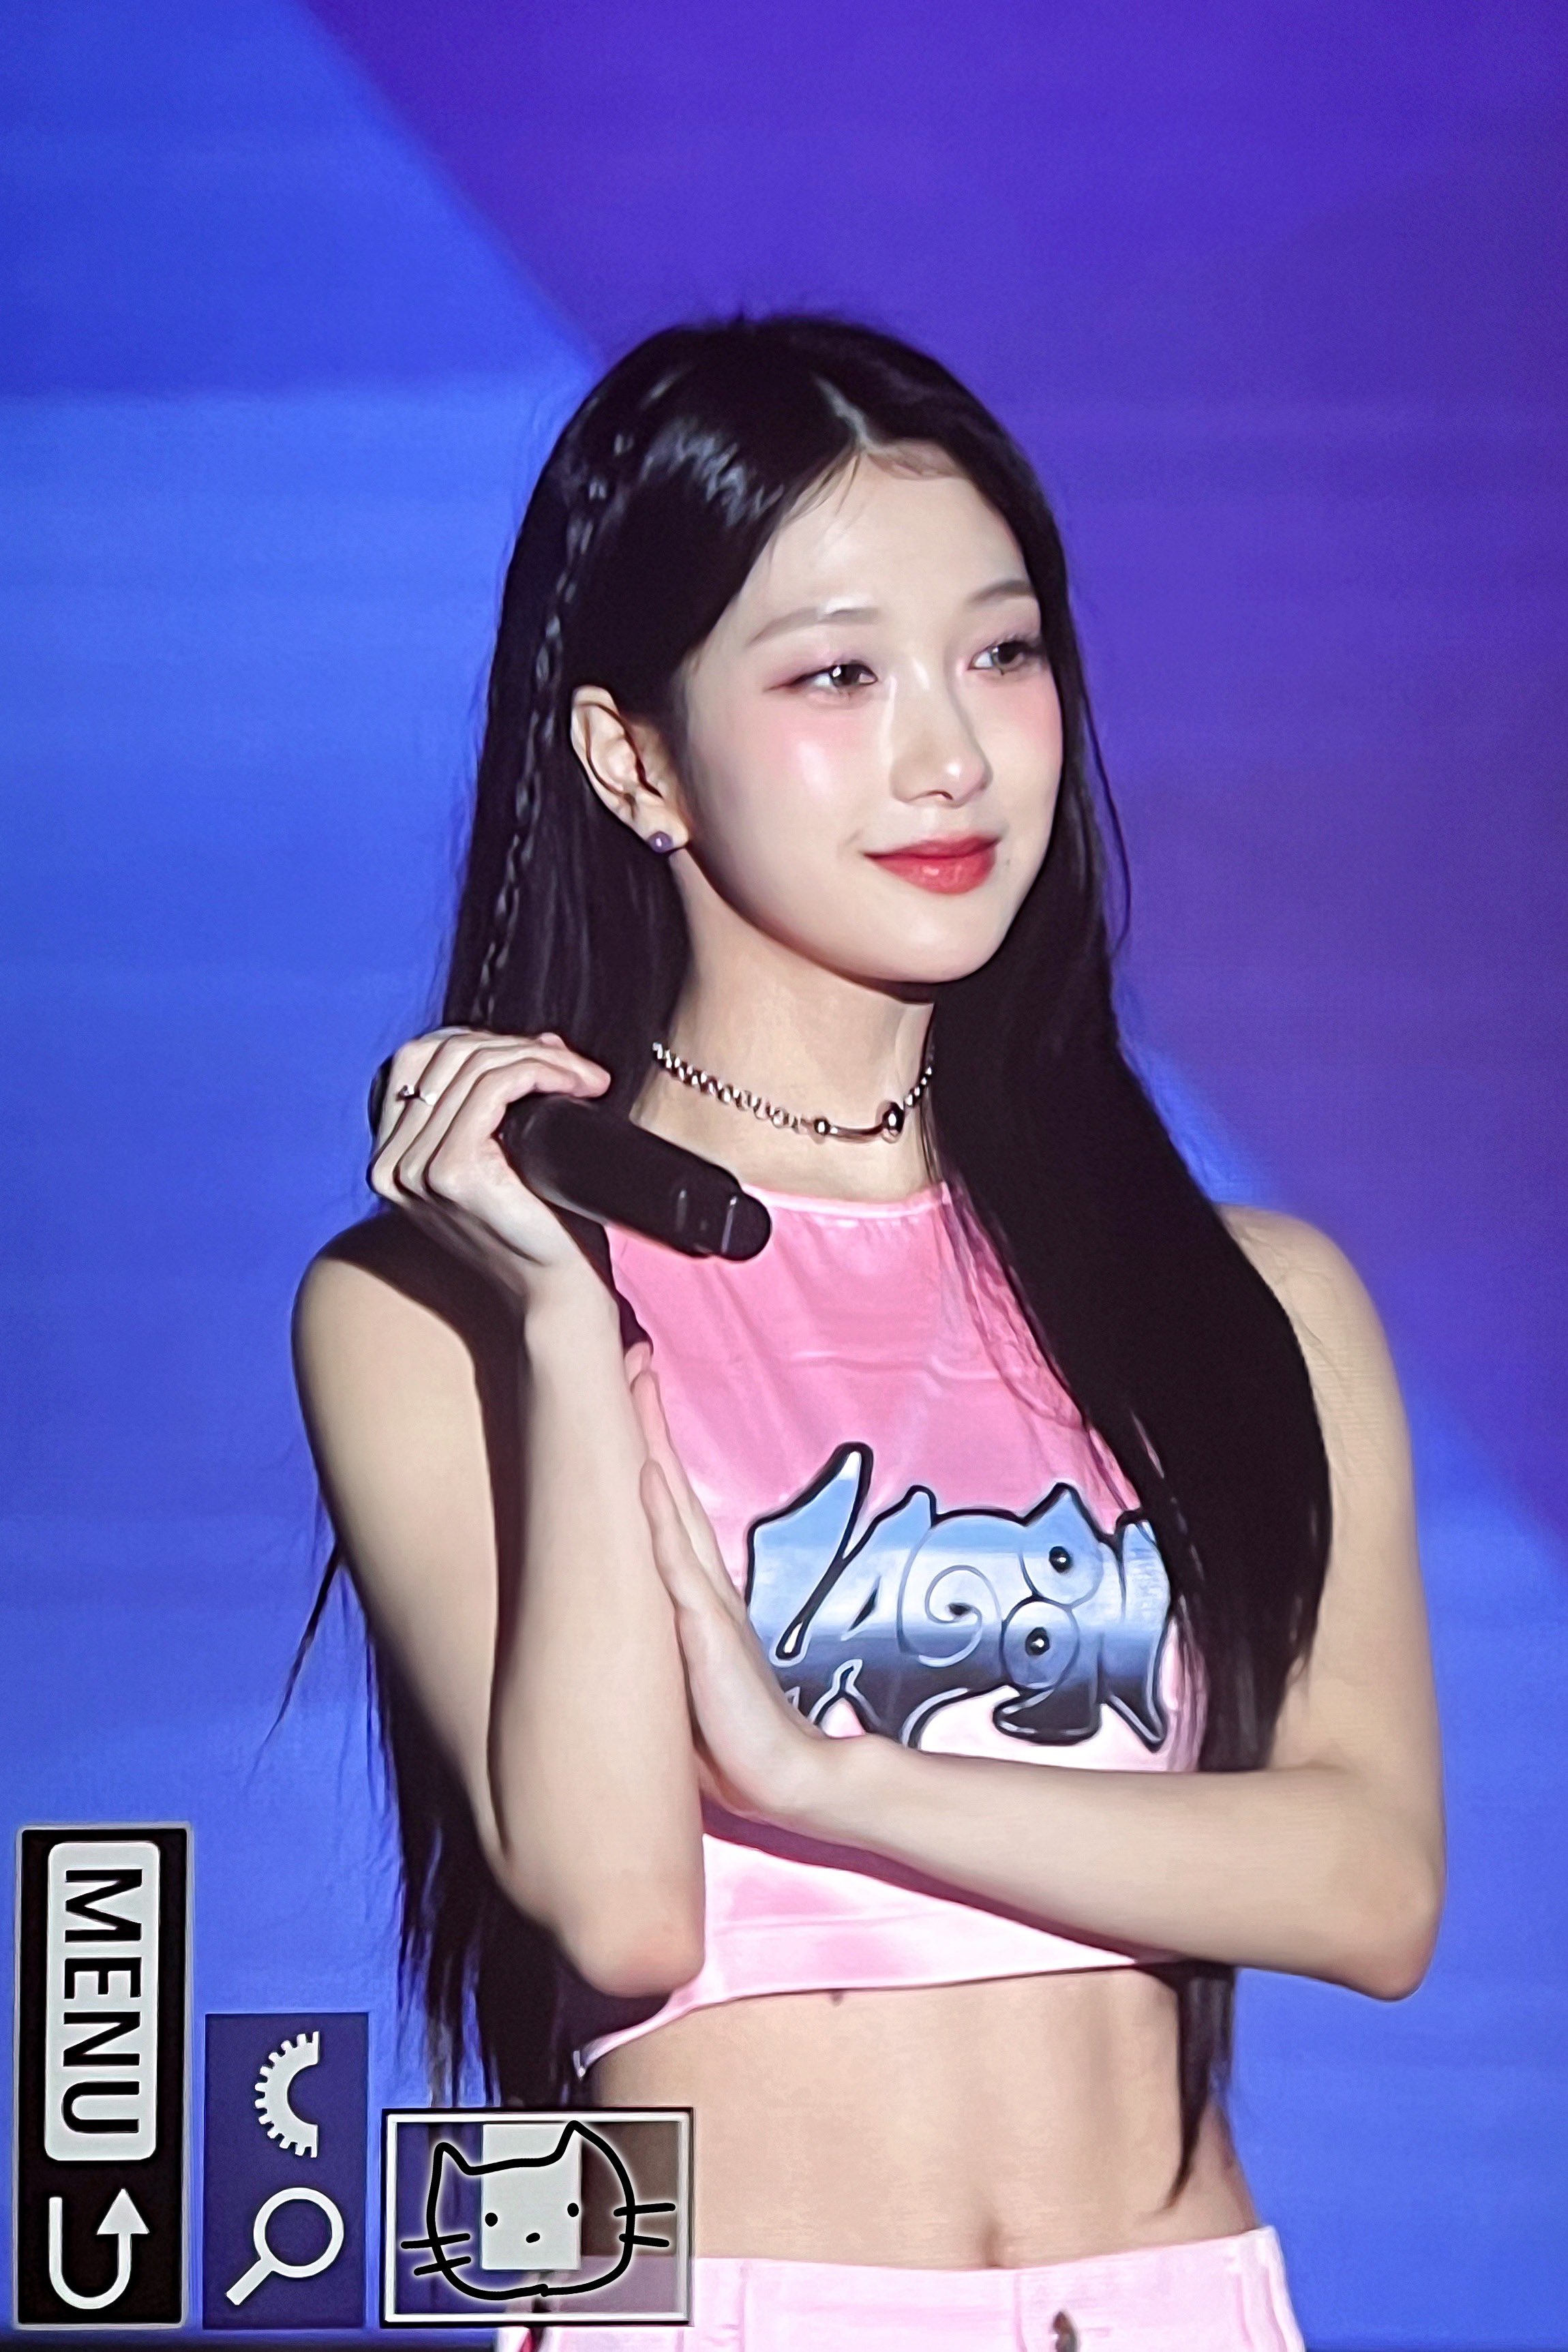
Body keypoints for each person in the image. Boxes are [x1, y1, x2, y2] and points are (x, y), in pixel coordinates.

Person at [290, 314, 1444, 2351]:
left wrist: (827, 1780)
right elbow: (618, 1903)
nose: (950, 755)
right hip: (714, 2299)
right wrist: (566, 1316)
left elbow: (1371, 1888)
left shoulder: (1251, 1292)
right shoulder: (432, 1312)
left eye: (1001, 655)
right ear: (633, 759)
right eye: (837, 674)